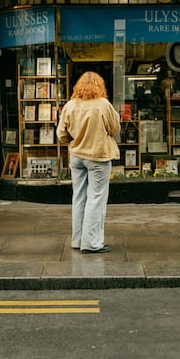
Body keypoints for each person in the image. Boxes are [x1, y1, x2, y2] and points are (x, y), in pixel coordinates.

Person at [56, 71, 120, 254]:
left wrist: (74, 141)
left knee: (79, 197)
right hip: (98, 156)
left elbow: (61, 135)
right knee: (96, 198)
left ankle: (77, 240)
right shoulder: (103, 104)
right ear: (100, 86)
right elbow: (115, 128)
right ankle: (91, 243)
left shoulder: (70, 105)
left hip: (76, 156)